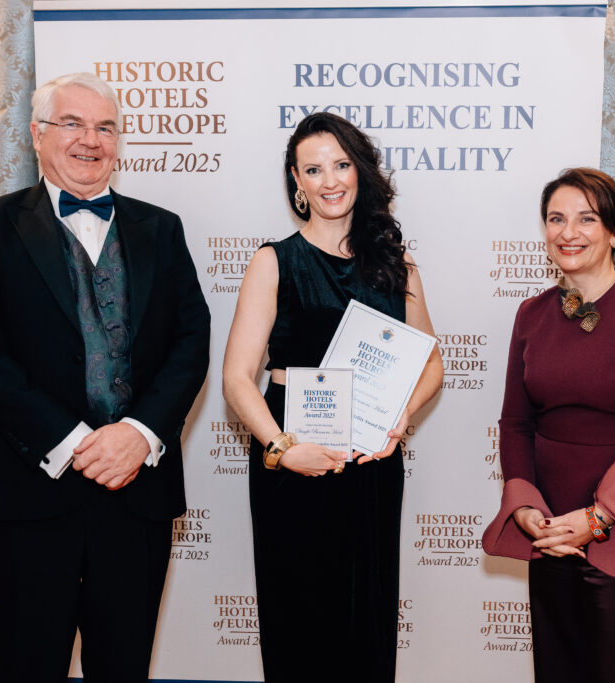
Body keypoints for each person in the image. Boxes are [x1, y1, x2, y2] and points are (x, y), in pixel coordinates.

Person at [0, 72, 210, 682]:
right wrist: (73, 443)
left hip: (137, 488)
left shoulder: (161, 228)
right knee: (28, 666)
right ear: (38, 136)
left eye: (105, 127)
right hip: (32, 491)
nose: (90, 140)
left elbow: (190, 341)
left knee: (124, 667)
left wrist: (138, 433)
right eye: (72, 123)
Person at [222, 112, 443, 682]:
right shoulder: (274, 261)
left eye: (341, 164)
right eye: (313, 169)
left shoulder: (398, 263)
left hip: (371, 459)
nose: (330, 180)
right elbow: (237, 377)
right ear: (296, 183)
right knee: (299, 616)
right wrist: (279, 448)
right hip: (291, 461)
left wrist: (398, 418)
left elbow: (432, 363)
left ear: (360, 171)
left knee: (365, 617)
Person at [481, 168, 615, 683]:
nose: (568, 232)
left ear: (614, 232)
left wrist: (599, 517)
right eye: (556, 219)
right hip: (550, 525)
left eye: (586, 219)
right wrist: (526, 506)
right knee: (557, 669)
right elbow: (515, 422)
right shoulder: (530, 314)